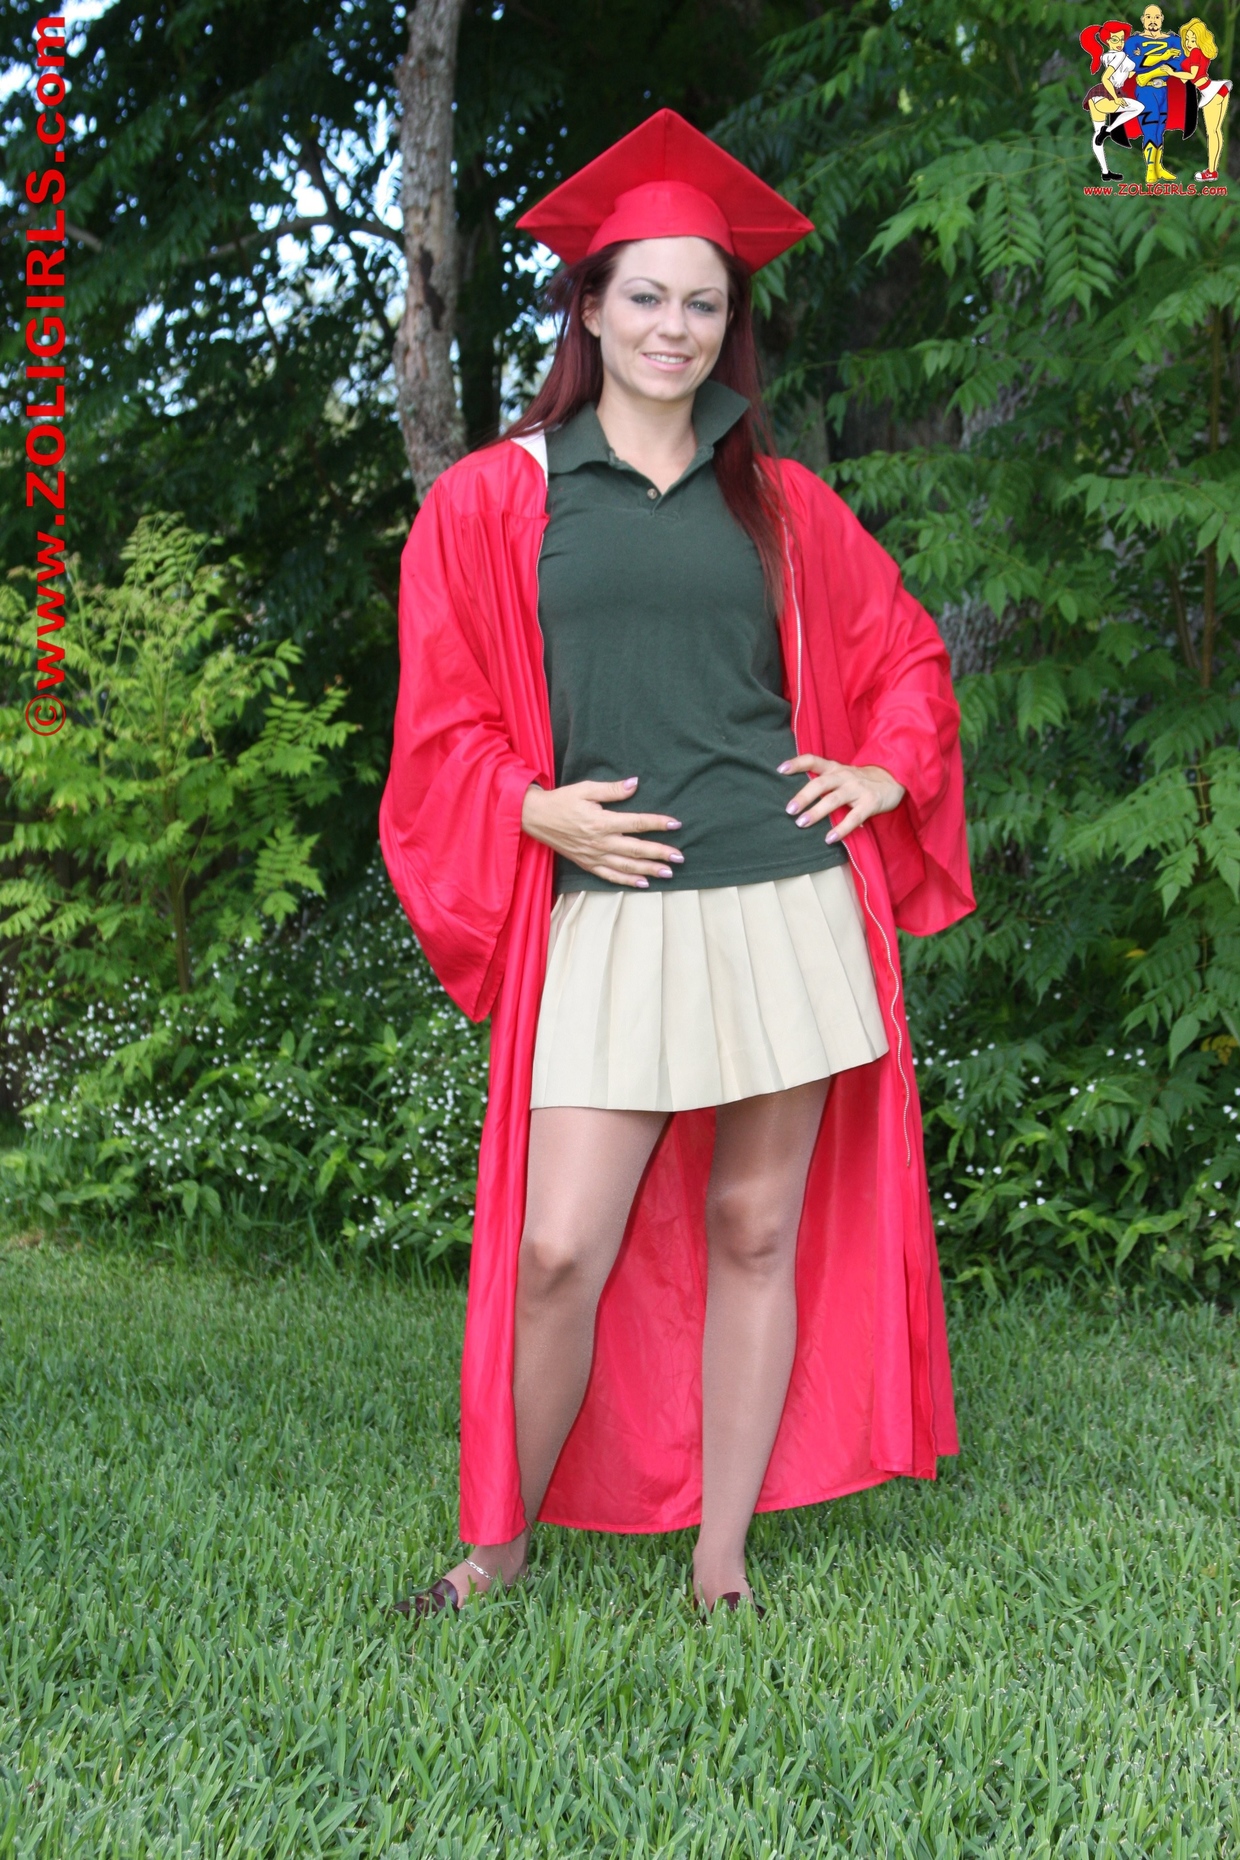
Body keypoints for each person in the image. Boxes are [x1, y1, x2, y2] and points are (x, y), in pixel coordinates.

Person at [379, 110, 973, 1617]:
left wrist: (884, 770)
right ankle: (497, 1550)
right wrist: (530, 809)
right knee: (560, 1247)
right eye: (645, 294)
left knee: (755, 1228)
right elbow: (441, 722)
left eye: (703, 303)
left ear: (730, 325)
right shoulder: (497, 497)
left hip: (781, 898)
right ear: (587, 307)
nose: (675, 326)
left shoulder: (776, 501)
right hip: (613, 909)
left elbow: (906, 655)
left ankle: (722, 1565)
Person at [1123, 5, 1195, 182]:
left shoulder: (1174, 40)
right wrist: (1163, 57)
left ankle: (1158, 166)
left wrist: (1151, 71)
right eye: (1149, 17)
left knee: (1160, 128)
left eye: (1156, 17)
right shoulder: (1133, 41)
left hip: (1162, 88)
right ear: (1143, 20)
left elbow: (1180, 62)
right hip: (1146, 90)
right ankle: (1150, 168)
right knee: (1150, 125)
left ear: (1162, 19)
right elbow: (1133, 63)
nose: (1153, 21)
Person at [1079, 21, 1145, 178]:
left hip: (1096, 95)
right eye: (1115, 39)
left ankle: (1105, 172)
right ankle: (1109, 130)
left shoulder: (1108, 56)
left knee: (1097, 135)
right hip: (1108, 93)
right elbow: (1106, 78)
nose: (1120, 43)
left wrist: (1137, 56)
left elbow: (1129, 72)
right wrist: (1116, 98)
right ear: (1107, 41)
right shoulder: (1119, 56)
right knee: (1138, 108)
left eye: (1122, 39)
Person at [1178, 17, 1231, 180]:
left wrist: (1170, 71)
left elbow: (1192, 75)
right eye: (1187, 38)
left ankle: (1212, 171)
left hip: (1210, 92)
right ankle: (1213, 170)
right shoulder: (1202, 53)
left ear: (1200, 40)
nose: (1189, 42)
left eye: (1193, 39)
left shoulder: (1195, 53)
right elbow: (1189, 78)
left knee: (1213, 132)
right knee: (1216, 131)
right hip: (1218, 90)